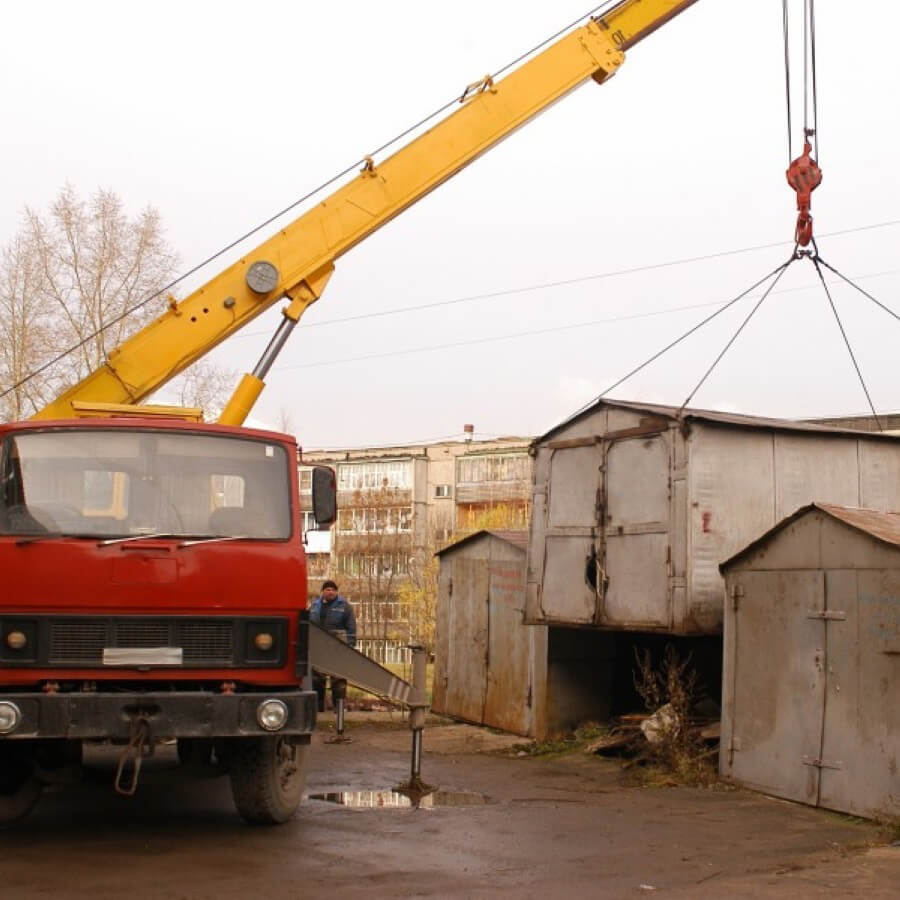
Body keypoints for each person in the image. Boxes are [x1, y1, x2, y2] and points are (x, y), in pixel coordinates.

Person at [309, 579, 357, 711]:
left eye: (333, 590)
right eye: (327, 589)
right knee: (317, 680)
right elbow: (308, 626)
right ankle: (318, 709)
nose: (330, 592)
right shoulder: (314, 606)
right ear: (322, 592)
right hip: (319, 648)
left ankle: (339, 709)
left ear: (337, 592)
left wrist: (350, 647)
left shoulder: (344, 606)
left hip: (338, 648)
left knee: (338, 681)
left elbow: (351, 628)